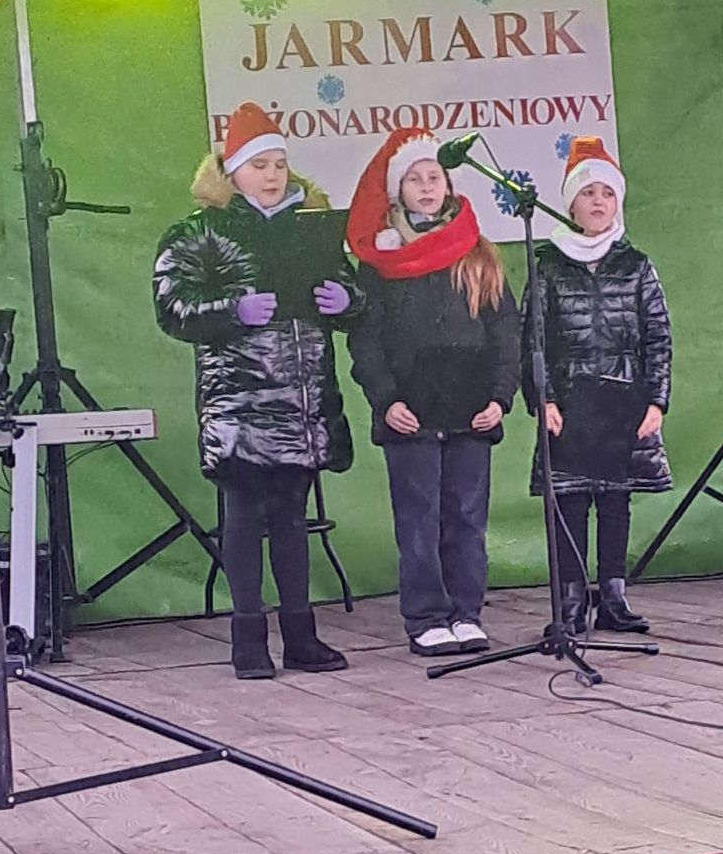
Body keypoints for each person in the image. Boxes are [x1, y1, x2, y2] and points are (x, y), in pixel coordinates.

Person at [153, 102, 360, 679]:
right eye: (259, 164)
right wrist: (230, 310)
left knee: (293, 520)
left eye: (279, 164)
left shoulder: (311, 227)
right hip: (239, 403)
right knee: (243, 519)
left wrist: (347, 299)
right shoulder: (199, 233)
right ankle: (247, 639)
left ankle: (301, 636)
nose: (272, 175)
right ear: (230, 171)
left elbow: (348, 285)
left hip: (301, 401)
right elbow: (172, 307)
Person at [346, 130, 520, 657]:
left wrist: (500, 396)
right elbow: (366, 340)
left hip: (471, 411)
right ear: (397, 192)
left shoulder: (477, 253)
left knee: (466, 517)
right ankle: (426, 616)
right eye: (415, 179)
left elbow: (505, 331)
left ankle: (467, 613)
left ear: (448, 186)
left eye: (434, 177)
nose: (426, 186)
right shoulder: (380, 262)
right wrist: (386, 400)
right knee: (418, 519)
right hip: (411, 412)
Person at [521, 136, 672, 636]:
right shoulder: (546, 265)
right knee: (568, 501)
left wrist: (656, 401)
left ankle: (613, 596)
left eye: (608, 194)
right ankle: (568, 602)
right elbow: (532, 337)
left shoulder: (637, 266)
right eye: (589, 194)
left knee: (614, 499)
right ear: (571, 204)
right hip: (568, 403)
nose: (599, 202)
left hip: (622, 402)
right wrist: (541, 398)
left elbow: (658, 337)